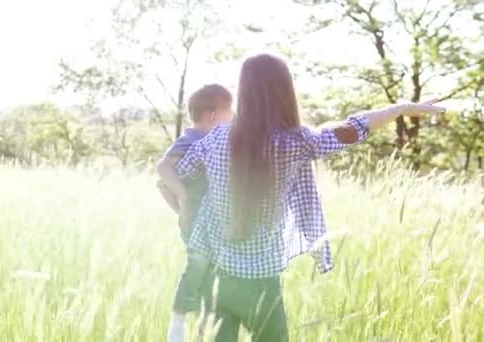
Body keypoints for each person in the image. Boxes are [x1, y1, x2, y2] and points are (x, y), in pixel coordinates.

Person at [159, 53, 445, 341]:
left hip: (216, 277)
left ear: (243, 91)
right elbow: (354, 128)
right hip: (261, 283)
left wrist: (185, 207)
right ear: (283, 90)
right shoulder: (294, 142)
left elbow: (175, 175)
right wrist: (401, 108)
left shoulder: (215, 137)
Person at [156, 84, 234, 342]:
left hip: (212, 220)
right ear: (214, 116)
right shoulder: (192, 140)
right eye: (229, 112)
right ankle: (179, 317)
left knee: (211, 275)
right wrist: (183, 196)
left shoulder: (217, 142)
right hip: (195, 218)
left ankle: (204, 329)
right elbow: (163, 168)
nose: (232, 117)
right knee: (198, 262)